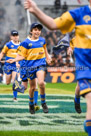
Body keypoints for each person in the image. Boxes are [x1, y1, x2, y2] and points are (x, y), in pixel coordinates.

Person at [24, 0, 91, 135]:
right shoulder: (78, 14)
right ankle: (77, 101)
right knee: (88, 95)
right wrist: (35, 9)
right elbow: (53, 24)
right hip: (86, 65)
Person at [7, 23, 52, 114]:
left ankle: (43, 102)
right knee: (32, 87)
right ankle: (31, 103)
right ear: (31, 31)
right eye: (35, 29)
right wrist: (14, 60)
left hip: (40, 65)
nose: (37, 31)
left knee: (41, 83)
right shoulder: (25, 43)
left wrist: (47, 57)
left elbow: (45, 49)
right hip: (30, 67)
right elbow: (21, 56)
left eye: (39, 30)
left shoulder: (42, 40)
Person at [0, 30, 20, 102]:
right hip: (8, 65)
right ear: (11, 37)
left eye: (16, 35)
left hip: (16, 65)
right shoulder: (8, 44)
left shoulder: (21, 45)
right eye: (14, 36)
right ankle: (9, 78)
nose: (15, 37)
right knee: (8, 83)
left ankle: (15, 97)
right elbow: (2, 53)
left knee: (15, 80)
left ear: (18, 36)